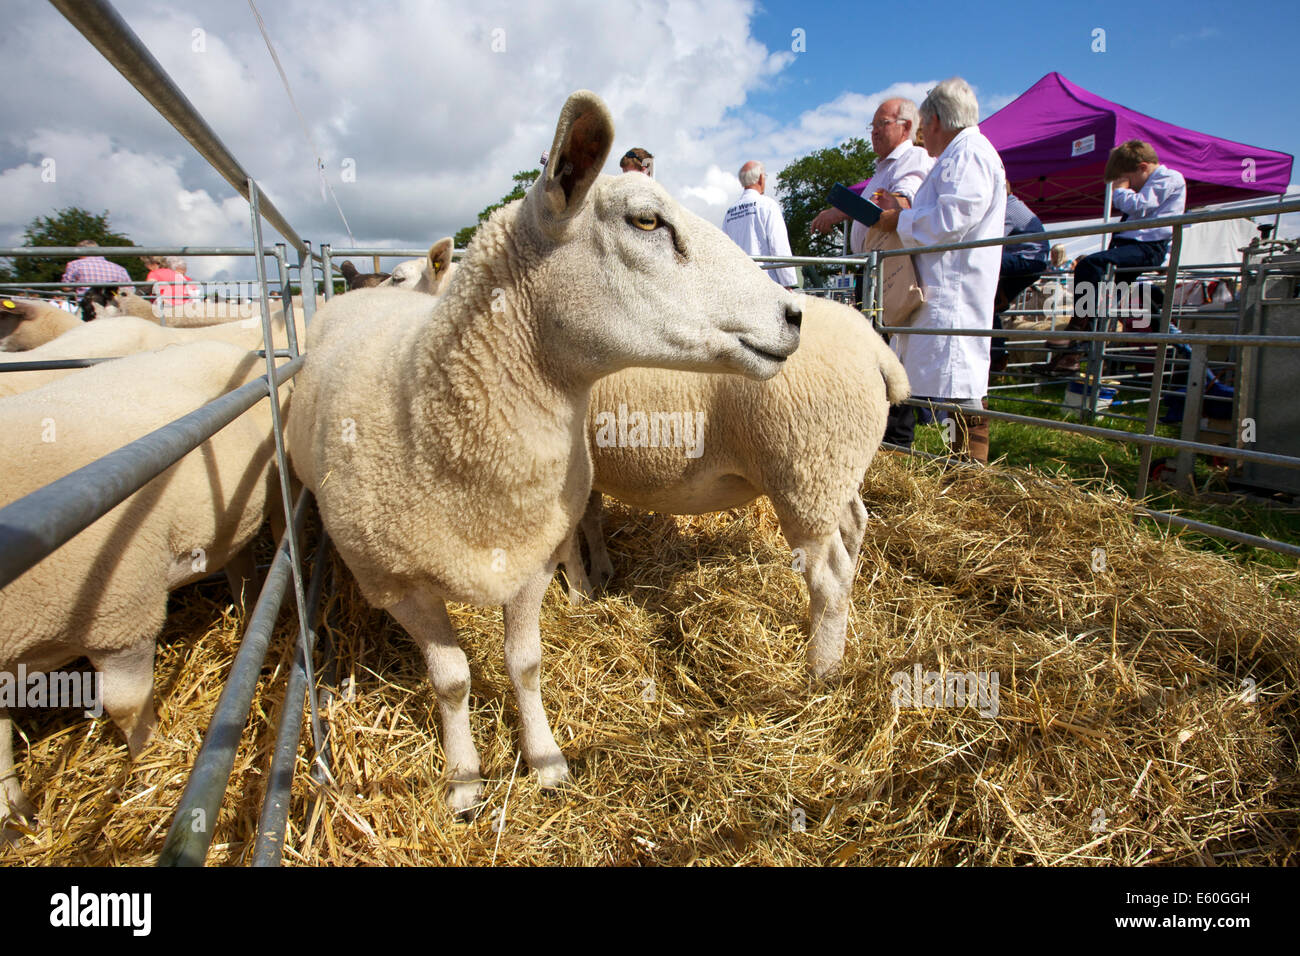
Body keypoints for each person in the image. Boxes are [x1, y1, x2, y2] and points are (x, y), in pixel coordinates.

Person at [873, 77, 1007, 464]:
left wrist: (899, 220)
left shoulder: (969, 154)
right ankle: (959, 468)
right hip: (941, 288)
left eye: (921, 128)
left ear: (933, 122)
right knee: (945, 384)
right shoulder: (958, 154)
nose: (920, 138)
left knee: (961, 385)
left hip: (955, 292)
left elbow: (953, 218)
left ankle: (970, 472)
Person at [1043, 140, 1186, 376]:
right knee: (1102, 302)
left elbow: (1141, 206)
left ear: (1142, 167)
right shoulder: (1154, 181)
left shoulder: (1169, 177)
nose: (1129, 184)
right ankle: (1069, 358)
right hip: (1132, 246)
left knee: (1090, 264)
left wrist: (1121, 189)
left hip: (1146, 247)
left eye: (1129, 177)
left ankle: (1076, 330)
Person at [809, 97, 933, 257]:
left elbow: (902, 206)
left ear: (906, 126)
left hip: (893, 269)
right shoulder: (886, 168)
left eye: (883, 123)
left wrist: (840, 212)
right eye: (873, 126)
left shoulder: (914, 156)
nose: (875, 131)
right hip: (876, 266)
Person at [990, 188, 1050, 373]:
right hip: (1029, 259)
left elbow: (991, 239)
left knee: (981, 259)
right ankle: (998, 354)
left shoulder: (1007, 208)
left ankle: (997, 353)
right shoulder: (1011, 204)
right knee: (988, 305)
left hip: (1029, 259)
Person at [722, 161, 797, 288]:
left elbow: (724, 249)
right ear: (761, 178)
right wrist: (789, 283)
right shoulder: (767, 206)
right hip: (766, 284)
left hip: (738, 285)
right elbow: (778, 246)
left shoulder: (730, 212)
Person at [61, 239, 135, 299]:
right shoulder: (119, 268)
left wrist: (76, 286)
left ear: (80, 252)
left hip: (87, 306)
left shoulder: (75, 264)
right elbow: (130, 290)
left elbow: (66, 286)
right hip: (114, 308)